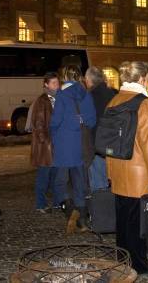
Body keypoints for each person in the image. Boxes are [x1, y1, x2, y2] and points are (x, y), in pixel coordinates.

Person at [106, 61, 148, 276]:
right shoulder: (143, 103)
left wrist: (109, 172)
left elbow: (108, 141)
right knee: (139, 222)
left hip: (119, 169)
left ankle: (122, 259)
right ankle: (139, 265)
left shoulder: (114, 100)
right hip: (139, 174)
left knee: (123, 220)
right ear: (142, 79)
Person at [51, 65, 96, 234]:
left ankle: (70, 212)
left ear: (64, 77)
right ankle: (82, 219)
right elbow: (91, 121)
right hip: (81, 145)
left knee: (60, 182)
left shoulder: (61, 95)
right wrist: (81, 120)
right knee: (79, 183)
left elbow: (55, 121)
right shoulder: (86, 94)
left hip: (64, 143)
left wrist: (54, 135)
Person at [30, 72, 62, 213]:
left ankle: (57, 202)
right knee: (43, 176)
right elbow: (38, 124)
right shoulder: (42, 101)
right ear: (46, 85)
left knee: (56, 176)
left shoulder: (60, 98)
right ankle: (40, 204)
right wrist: (46, 141)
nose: (57, 85)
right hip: (46, 147)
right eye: (53, 83)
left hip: (57, 145)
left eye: (57, 82)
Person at [85, 66, 117, 192]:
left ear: (88, 80)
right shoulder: (113, 93)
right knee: (111, 180)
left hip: (97, 146)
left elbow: (89, 122)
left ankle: (100, 210)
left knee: (98, 183)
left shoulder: (90, 96)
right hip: (113, 145)